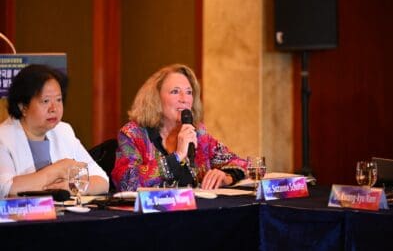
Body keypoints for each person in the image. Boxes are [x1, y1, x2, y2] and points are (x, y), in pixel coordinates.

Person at [112, 64, 248, 191]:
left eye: (189, 92)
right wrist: (177, 157)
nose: (184, 99)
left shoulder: (198, 133)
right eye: (175, 91)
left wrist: (226, 177)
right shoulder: (133, 134)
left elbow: (241, 163)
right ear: (156, 98)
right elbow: (126, 181)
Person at [0, 64, 109, 198]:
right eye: (45, 101)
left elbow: (102, 180)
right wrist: (58, 170)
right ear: (23, 107)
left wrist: (72, 187)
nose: (54, 108)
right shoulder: (4, 138)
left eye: (58, 100)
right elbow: (7, 188)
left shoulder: (63, 131)